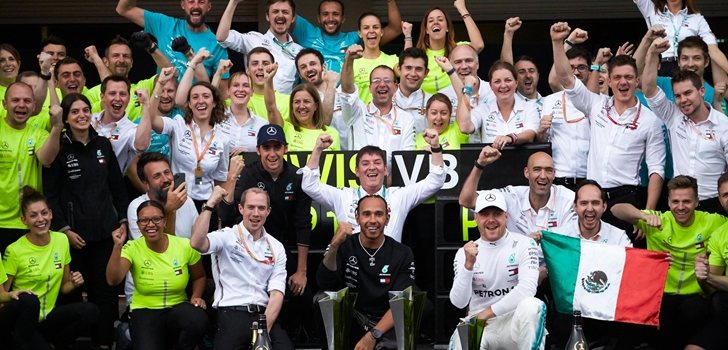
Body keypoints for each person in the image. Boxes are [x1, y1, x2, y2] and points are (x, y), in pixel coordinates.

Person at [551, 21, 666, 236]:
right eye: (618, 77)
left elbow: (656, 169)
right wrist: (558, 43)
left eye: (629, 77)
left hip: (626, 200)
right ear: (610, 81)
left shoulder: (651, 120)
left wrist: (647, 211)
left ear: (637, 81)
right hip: (592, 196)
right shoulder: (596, 104)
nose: (623, 82)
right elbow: (566, 79)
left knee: (623, 261)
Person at [43, 93, 128, 348]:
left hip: (104, 233)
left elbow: (118, 188)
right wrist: (65, 230)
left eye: (85, 110)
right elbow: (51, 195)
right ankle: (69, 343)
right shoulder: (59, 147)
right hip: (73, 237)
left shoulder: (103, 144)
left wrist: (122, 222)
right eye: (75, 112)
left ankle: (103, 343)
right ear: (66, 119)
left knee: (104, 291)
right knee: (71, 290)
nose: (81, 115)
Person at [611, 175, 727, 349]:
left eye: (687, 201)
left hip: (695, 297)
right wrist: (641, 215)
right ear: (668, 202)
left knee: (695, 309)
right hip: (661, 296)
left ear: (697, 201)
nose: (680, 207)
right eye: (675, 201)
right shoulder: (659, 220)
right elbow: (616, 209)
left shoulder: (714, 222)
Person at [191, 186, 293, 349]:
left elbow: (276, 293)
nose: (255, 213)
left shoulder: (276, 246)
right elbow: (197, 243)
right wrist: (210, 205)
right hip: (232, 314)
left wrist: (262, 331)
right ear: (241, 208)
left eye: (261, 208)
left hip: (263, 315)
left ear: (268, 211)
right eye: (250, 207)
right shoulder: (226, 236)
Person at [219, 123, 312, 295]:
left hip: (283, 250)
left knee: (303, 293)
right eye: (266, 147)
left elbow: (303, 224)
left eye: (277, 147)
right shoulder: (247, 174)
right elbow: (225, 215)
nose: (272, 153)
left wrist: (301, 272)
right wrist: (231, 178)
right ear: (258, 150)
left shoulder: (297, 177)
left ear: (286, 149)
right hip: (248, 250)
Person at [300, 133, 445, 242]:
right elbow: (310, 185)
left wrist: (436, 148)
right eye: (365, 164)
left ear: (386, 170)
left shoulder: (398, 196)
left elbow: (435, 181)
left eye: (377, 162)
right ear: (357, 171)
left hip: (389, 270)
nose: (372, 168)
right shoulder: (344, 196)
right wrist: (318, 149)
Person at [4, 186, 99, 350]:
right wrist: (12, 295)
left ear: (51, 214)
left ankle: (58, 342)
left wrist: (75, 283)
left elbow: (64, 287)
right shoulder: (14, 250)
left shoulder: (62, 240)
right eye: (33, 215)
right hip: (22, 320)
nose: (40, 219)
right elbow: (2, 297)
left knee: (91, 311)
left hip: (47, 317)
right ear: (24, 221)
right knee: (29, 300)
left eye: (44, 213)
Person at [449, 190, 545, 350]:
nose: (491, 220)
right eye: (485, 214)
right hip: (482, 326)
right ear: (476, 218)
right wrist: (468, 266)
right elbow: (459, 302)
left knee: (533, 306)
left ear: (506, 216)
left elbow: (527, 289)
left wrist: (486, 313)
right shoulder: (464, 252)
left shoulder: (525, 244)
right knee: (462, 339)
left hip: (513, 323)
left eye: (497, 214)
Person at [316, 195, 416, 349]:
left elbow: (400, 303)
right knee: (322, 298)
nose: (373, 220)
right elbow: (324, 283)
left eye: (379, 214)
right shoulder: (345, 245)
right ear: (357, 218)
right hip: (353, 317)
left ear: (387, 219)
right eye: (366, 214)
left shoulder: (402, 252)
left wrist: (373, 335)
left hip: (386, 321)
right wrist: (334, 244)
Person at [642, 37, 728, 213]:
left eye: (688, 93)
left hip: (713, 204)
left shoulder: (723, 125)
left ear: (702, 91)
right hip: (680, 205)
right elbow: (649, 90)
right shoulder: (673, 115)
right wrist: (651, 53)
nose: (683, 100)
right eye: (678, 95)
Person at [107, 199, 207, 350]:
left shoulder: (184, 245)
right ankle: (127, 334)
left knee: (198, 319)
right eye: (144, 220)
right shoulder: (131, 247)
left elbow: (199, 276)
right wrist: (117, 246)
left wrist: (196, 296)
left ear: (165, 221)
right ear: (138, 224)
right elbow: (113, 280)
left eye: (156, 219)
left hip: (177, 307)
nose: (151, 224)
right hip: (145, 310)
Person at [142, 67, 230, 213]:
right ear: (189, 104)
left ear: (214, 103)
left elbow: (220, 179)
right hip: (178, 200)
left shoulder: (223, 139)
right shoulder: (177, 124)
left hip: (206, 205)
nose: (200, 101)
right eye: (195, 97)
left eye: (206, 96)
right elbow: (150, 119)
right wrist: (160, 84)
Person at [459, 146, 576, 238]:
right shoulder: (512, 196)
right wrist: (480, 164)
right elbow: (466, 200)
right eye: (537, 169)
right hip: (517, 265)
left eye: (548, 170)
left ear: (554, 174)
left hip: (555, 265)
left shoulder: (569, 199)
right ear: (526, 172)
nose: (543, 176)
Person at [0, 82, 63, 251]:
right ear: (4, 104)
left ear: (34, 106)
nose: (21, 105)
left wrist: (57, 127)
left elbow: (46, 159)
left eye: (27, 101)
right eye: (15, 100)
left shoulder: (37, 133)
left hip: (27, 222)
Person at [115, 0, 230, 81]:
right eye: (190, 1)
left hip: (194, 111)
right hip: (163, 105)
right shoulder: (165, 24)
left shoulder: (217, 44)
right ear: (182, 4)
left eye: (201, 2)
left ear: (209, 6)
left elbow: (222, 93)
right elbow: (123, 9)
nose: (196, 6)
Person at [340, 44, 416, 162]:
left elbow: (408, 157)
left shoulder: (406, 119)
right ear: (370, 88)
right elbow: (347, 91)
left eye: (387, 80)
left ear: (396, 87)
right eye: (376, 81)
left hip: (393, 178)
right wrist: (349, 60)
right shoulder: (357, 112)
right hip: (360, 179)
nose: (382, 84)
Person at [291, 0, 402, 73]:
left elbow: (395, 29)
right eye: (325, 14)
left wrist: (390, 1)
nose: (330, 18)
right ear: (319, 18)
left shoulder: (355, 38)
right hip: (312, 102)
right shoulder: (307, 32)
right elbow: (282, 10)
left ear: (343, 18)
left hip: (344, 103)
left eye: (336, 14)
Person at [217, 0, 302, 94]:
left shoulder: (300, 51)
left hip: (285, 106)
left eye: (285, 12)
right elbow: (222, 37)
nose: (280, 15)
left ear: (293, 18)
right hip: (254, 105)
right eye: (275, 11)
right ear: (267, 16)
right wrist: (233, 2)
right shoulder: (254, 39)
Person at [538, 45, 593, 190]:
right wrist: (541, 131)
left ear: (589, 70)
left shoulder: (600, 101)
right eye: (571, 67)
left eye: (581, 67)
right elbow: (541, 141)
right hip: (559, 177)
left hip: (591, 177)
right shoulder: (549, 100)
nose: (576, 72)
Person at [83, 34, 172, 121]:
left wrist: (151, 47)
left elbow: (169, 73)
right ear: (105, 62)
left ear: (132, 62)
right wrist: (97, 60)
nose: (121, 60)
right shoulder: (91, 94)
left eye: (126, 56)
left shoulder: (143, 86)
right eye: (116, 56)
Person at [457, 61, 539, 149]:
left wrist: (510, 138)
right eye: (497, 81)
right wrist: (467, 88)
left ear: (516, 83)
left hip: (523, 160)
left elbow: (530, 135)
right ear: (491, 86)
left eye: (508, 80)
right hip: (491, 161)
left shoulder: (530, 106)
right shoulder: (484, 108)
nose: (503, 85)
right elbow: (465, 127)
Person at [632, 0, 728, 76]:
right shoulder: (652, 11)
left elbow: (713, 50)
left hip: (686, 67)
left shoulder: (697, 18)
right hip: (659, 67)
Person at [265, 65, 341, 151]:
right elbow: (271, 108)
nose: (301, 106)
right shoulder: (285, 129)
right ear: (292, 107)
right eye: (297, 102)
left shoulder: (332, 134)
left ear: (316, 106)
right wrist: (268, 81)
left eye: (306, 101)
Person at [415, 1, 484, 94]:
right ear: (426, 30)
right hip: (426, 107)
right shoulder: (419, 55)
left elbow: (478, 45)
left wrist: (462, 9)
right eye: (431, 20)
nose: (436, 22)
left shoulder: (457, 50)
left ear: (447, 27)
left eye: (440, 20)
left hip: (457, 104)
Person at [90, 75, 149, 173]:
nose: (118, 98)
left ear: (129, 98)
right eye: (112, 93)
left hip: (109, 186)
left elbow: (141, 146)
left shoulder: (131, 129)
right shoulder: (89, 120)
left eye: (122, 94)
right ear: (102, 97)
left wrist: (146, 104)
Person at [217, 71, 269, 154]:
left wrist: (249, 155)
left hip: (250, 166)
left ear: (252, 92)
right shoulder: (217, 119)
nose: (240, 89)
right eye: (236, 85)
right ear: (228, 91)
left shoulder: (262, 124)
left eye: (246, 86)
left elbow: (266, 155)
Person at [352, 13, 399, 104]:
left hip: (388, 117)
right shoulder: (352, 63)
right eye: (366, 28)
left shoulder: (393, 60)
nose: (371, 31)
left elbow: (407, 72)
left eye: (375, 27)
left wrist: (408, 36)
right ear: (360, 33)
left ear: (381, 32)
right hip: (362, 117)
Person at [395, 47, 431, 133]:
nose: (413, 74)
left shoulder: (432, 102)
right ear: (399, 69)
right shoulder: (385, 100)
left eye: (418, 69)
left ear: (426, 73)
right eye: (408, 68)